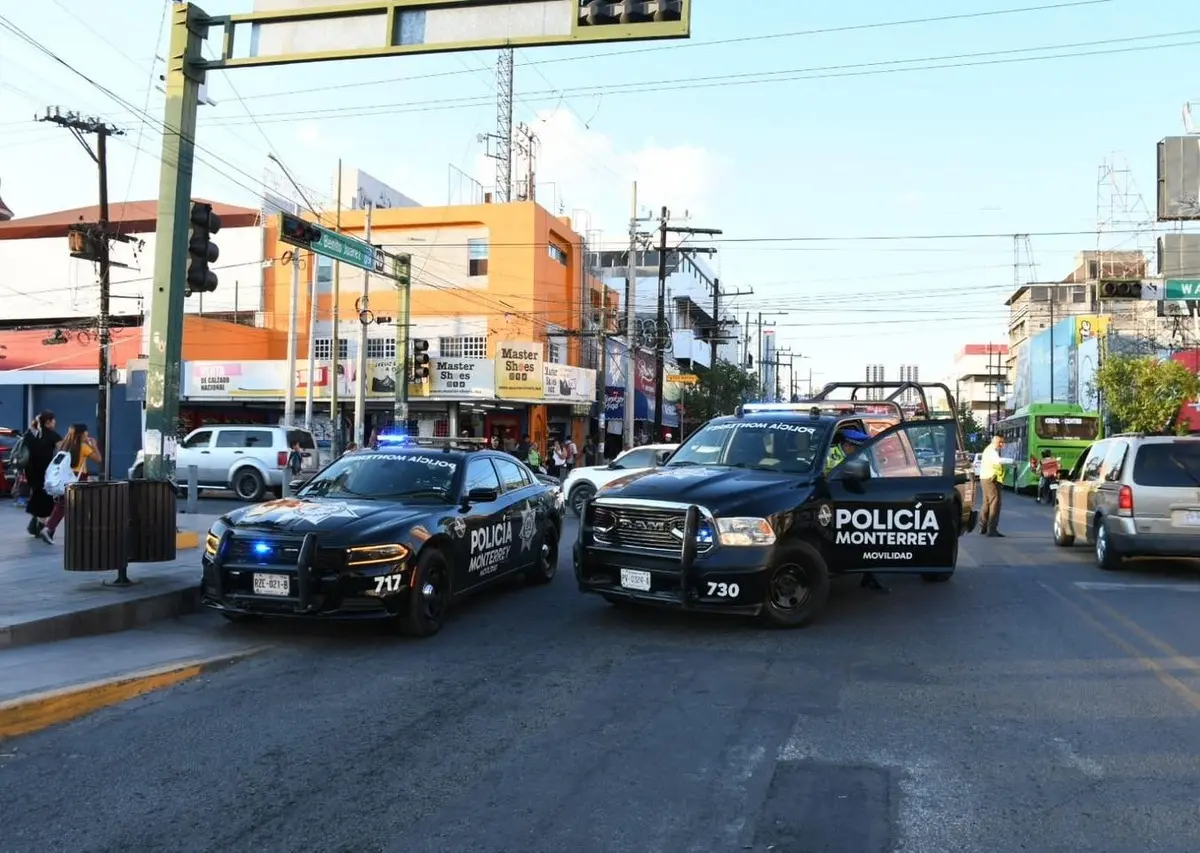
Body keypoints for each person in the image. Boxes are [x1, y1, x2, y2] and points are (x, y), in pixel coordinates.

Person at [41, 423, 101, 544]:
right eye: (86, 432)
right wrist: (94, 445)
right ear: (82, 433)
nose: (87, 434)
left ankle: (50, 529)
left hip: (65, 477)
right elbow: (98, 459)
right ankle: (52, 529)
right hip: (79, 478)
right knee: (81, 505)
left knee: (62, 504)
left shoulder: (64, 445)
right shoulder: (83, 447)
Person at [21, 411, 61, 538]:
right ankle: (39, 525)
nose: (55, 422)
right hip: (46, 470)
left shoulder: (30, 433)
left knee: (38, 494)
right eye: (53, 420)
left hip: (31, 470)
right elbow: (62, 451)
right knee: (46, 498)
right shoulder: (53, 435)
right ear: (48, 422)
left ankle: (35, 525)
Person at [978, 434, 1014, 537]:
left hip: (987, 478)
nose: (1001, 444)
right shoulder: (991, 451)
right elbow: (997, 461)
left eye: (1003, 442)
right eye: (1000, 442)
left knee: (987, 503)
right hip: (991, 479)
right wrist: (1012, 461)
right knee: (995, 503)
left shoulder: (990, 450)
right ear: (994, 441)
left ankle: (983, 527)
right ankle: (992, 529)